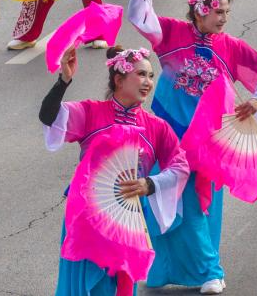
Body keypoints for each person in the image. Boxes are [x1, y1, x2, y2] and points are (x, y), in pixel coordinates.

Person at [127, 0, 257, 295]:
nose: (224, 18)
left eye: (226, 12)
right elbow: (140, 17)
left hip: (206, 142)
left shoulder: (230, 46)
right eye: (218, 12)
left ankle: (211, 271)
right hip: (167, 137)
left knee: (197, 205)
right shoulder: (172, 34)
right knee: (162, 203)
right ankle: (167, 269)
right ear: (200, 12)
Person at [41, 45, 190, 296]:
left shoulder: (156, 127)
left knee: (121, 284)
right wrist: (63, 80)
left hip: (129, 216)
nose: (148, 82)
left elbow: (180, 166)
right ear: (119, 80)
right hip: (88, 214)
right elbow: (48, 117)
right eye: (141, 74)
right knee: (85, 285)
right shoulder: (90, 113)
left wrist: (149, 184)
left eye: (151, 76)